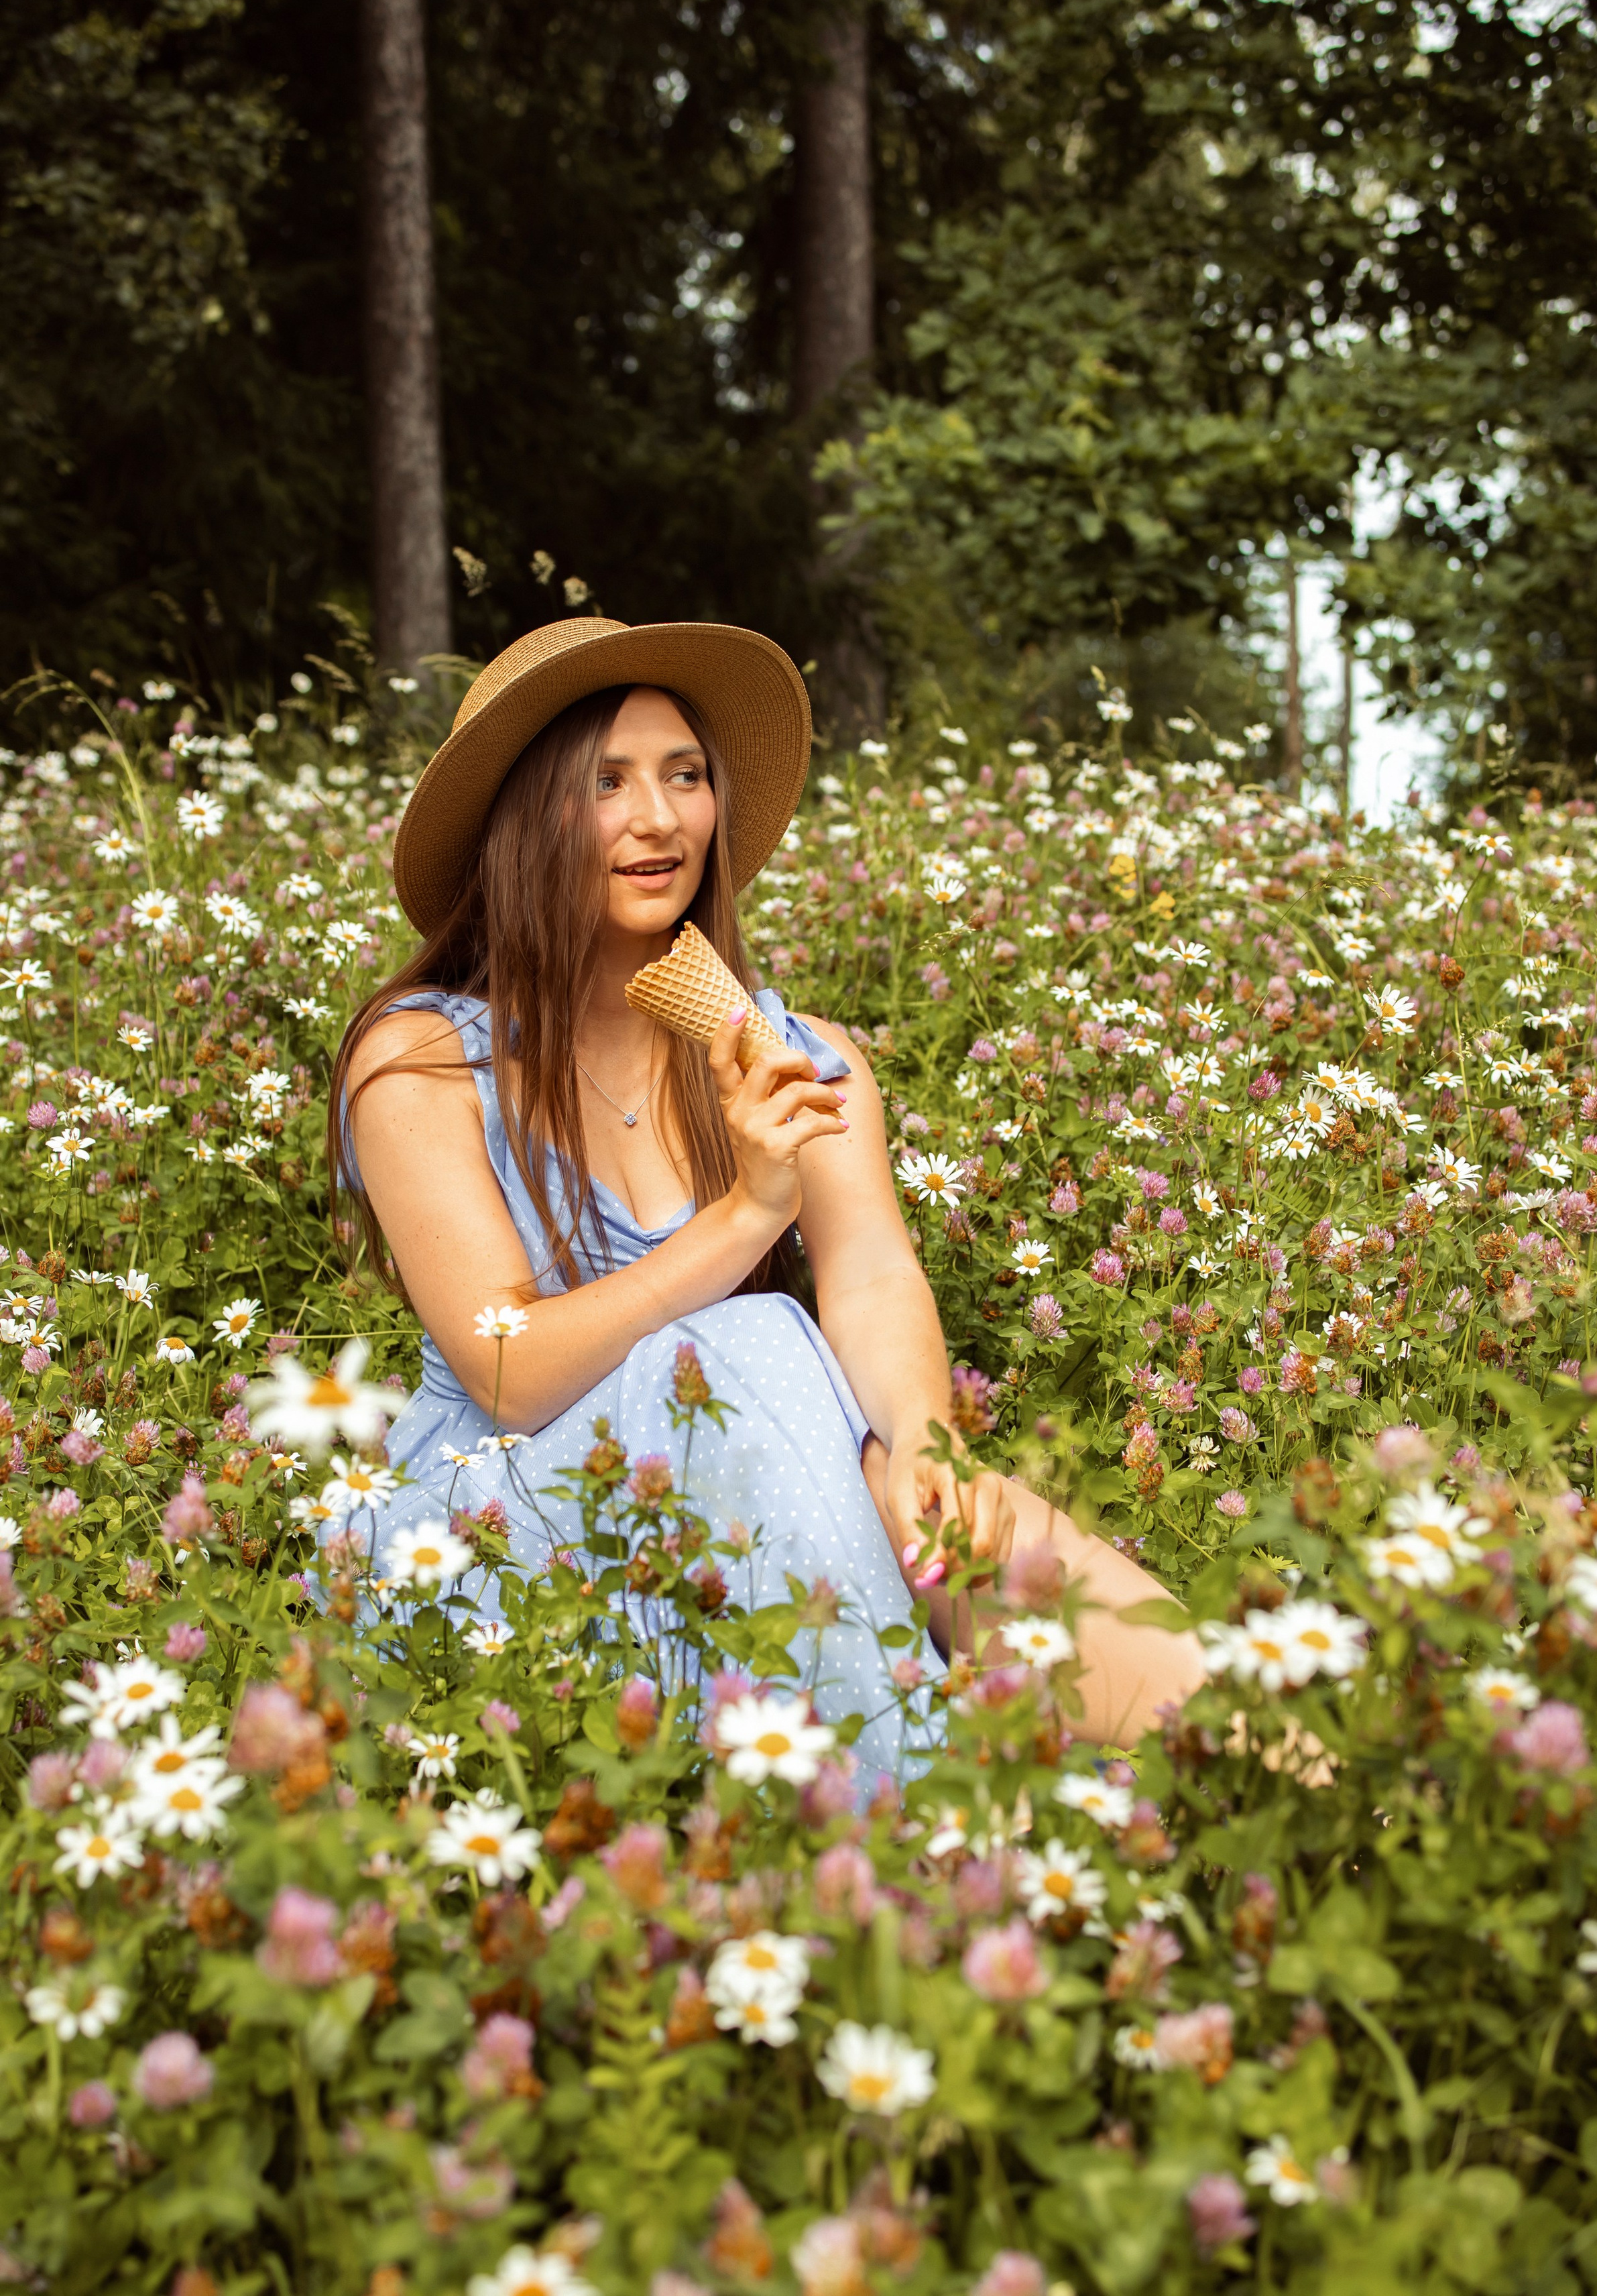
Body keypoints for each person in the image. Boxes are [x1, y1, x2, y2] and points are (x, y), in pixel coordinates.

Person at [332, 616, 1203, 1784]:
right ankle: (920, 1823)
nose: (661, 818)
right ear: (525, 820)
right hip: (501, 1536)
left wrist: (928, 1444)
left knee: (943, 1506)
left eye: (686, 775)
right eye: (607, 782)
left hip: (753, 1480)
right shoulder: (425, 1064)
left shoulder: (793, 1053)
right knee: (751, 1343)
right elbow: (511, 1370)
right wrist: (746, 1213)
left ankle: (1293, 1756)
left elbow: (870, 1270)